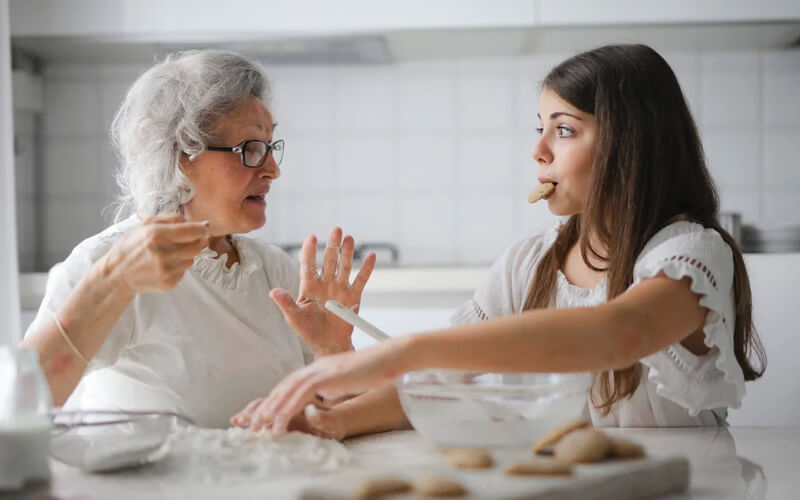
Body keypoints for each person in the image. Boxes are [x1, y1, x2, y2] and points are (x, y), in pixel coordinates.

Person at [232, 44, 766, 436]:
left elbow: (620, 333)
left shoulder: (691, 255)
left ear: (631, 144)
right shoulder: (528, 263)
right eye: (539, 127)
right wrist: (335, 417)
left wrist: (407, 349)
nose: (538, 151)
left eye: (564, 129)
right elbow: (445, 382)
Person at [20, 50, 375, 428]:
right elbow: (20, 402)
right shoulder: (108, 261)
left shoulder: (274, 271)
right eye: (250, 149)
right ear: (179, 156)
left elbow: (333, 418)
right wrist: (111, 283)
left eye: (270, 147)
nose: (273, 169)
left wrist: (333, 351)